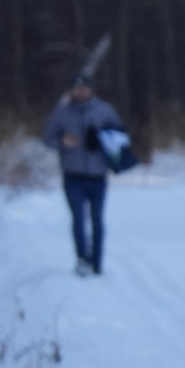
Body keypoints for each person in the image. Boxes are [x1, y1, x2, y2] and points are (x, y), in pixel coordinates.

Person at [42, 76, 125, 276]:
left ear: (91, 89)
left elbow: (121, 136)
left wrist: (104, 140)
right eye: (76, 88)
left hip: (98, 176)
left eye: (84, 88)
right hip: (73, 175)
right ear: (71, 91)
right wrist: (63, 142)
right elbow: (47, 138)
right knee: (78, 219)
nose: (80, 92)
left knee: (97, 220)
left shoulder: (104, 111)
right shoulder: (62, 112)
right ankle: (82, 259)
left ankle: (97, 262)